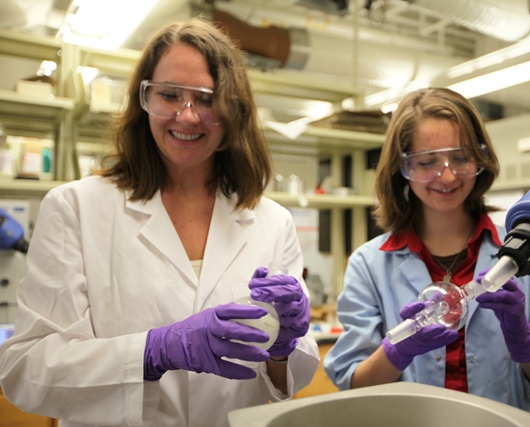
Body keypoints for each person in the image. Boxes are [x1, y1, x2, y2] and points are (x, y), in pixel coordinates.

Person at [0, 18, 319, 427]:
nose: (187, 117)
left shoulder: (272, 221)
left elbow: (283, 381)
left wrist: (282, 346)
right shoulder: (76, 208)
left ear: (234, 110)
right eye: (169, 95)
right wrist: (153, 351)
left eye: (206, 100)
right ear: (143, 100)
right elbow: (26, 368)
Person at [323, 87, 530, 417]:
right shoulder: (370, 263)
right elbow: (353, 389)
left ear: (481, 157)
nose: (446, 175)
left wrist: (527, 342)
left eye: (460, 158)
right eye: (426, 162)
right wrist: (396, 352)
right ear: (402, 168)